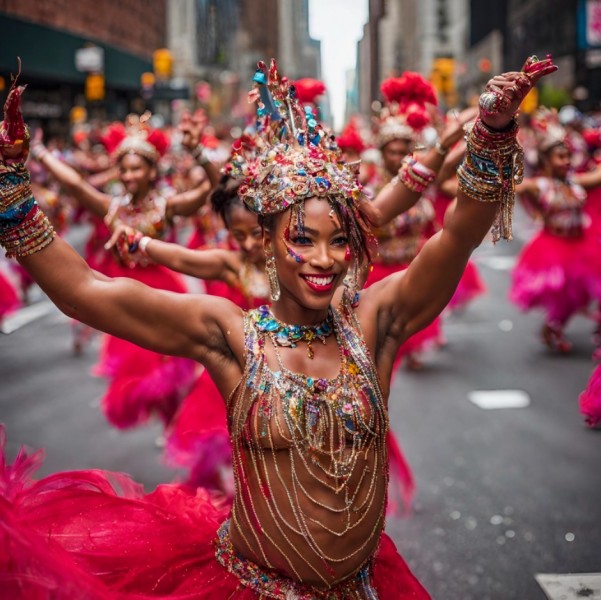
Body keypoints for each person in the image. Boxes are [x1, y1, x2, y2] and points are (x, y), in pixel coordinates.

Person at [0, 56, 556, 598]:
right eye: (303, 239)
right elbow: (86, 292)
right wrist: (10, 191)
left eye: (339, 240)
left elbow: (458, 235)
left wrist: (492, 129)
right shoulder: (231, 333)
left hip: (365, 587)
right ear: (268, 244)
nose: (324, 259)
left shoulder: (374, 322)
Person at [509, 107, 601, 354]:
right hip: (552, 247)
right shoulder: (538, 185)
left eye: (568, 156)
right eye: (560, 157)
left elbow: (598, 176)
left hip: (581, 245)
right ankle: (554, 326)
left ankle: (556, 326)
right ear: (546, 161)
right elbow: (510, 187)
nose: (566, 161)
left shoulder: (576, 181)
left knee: (582, 294)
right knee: (561, 295)